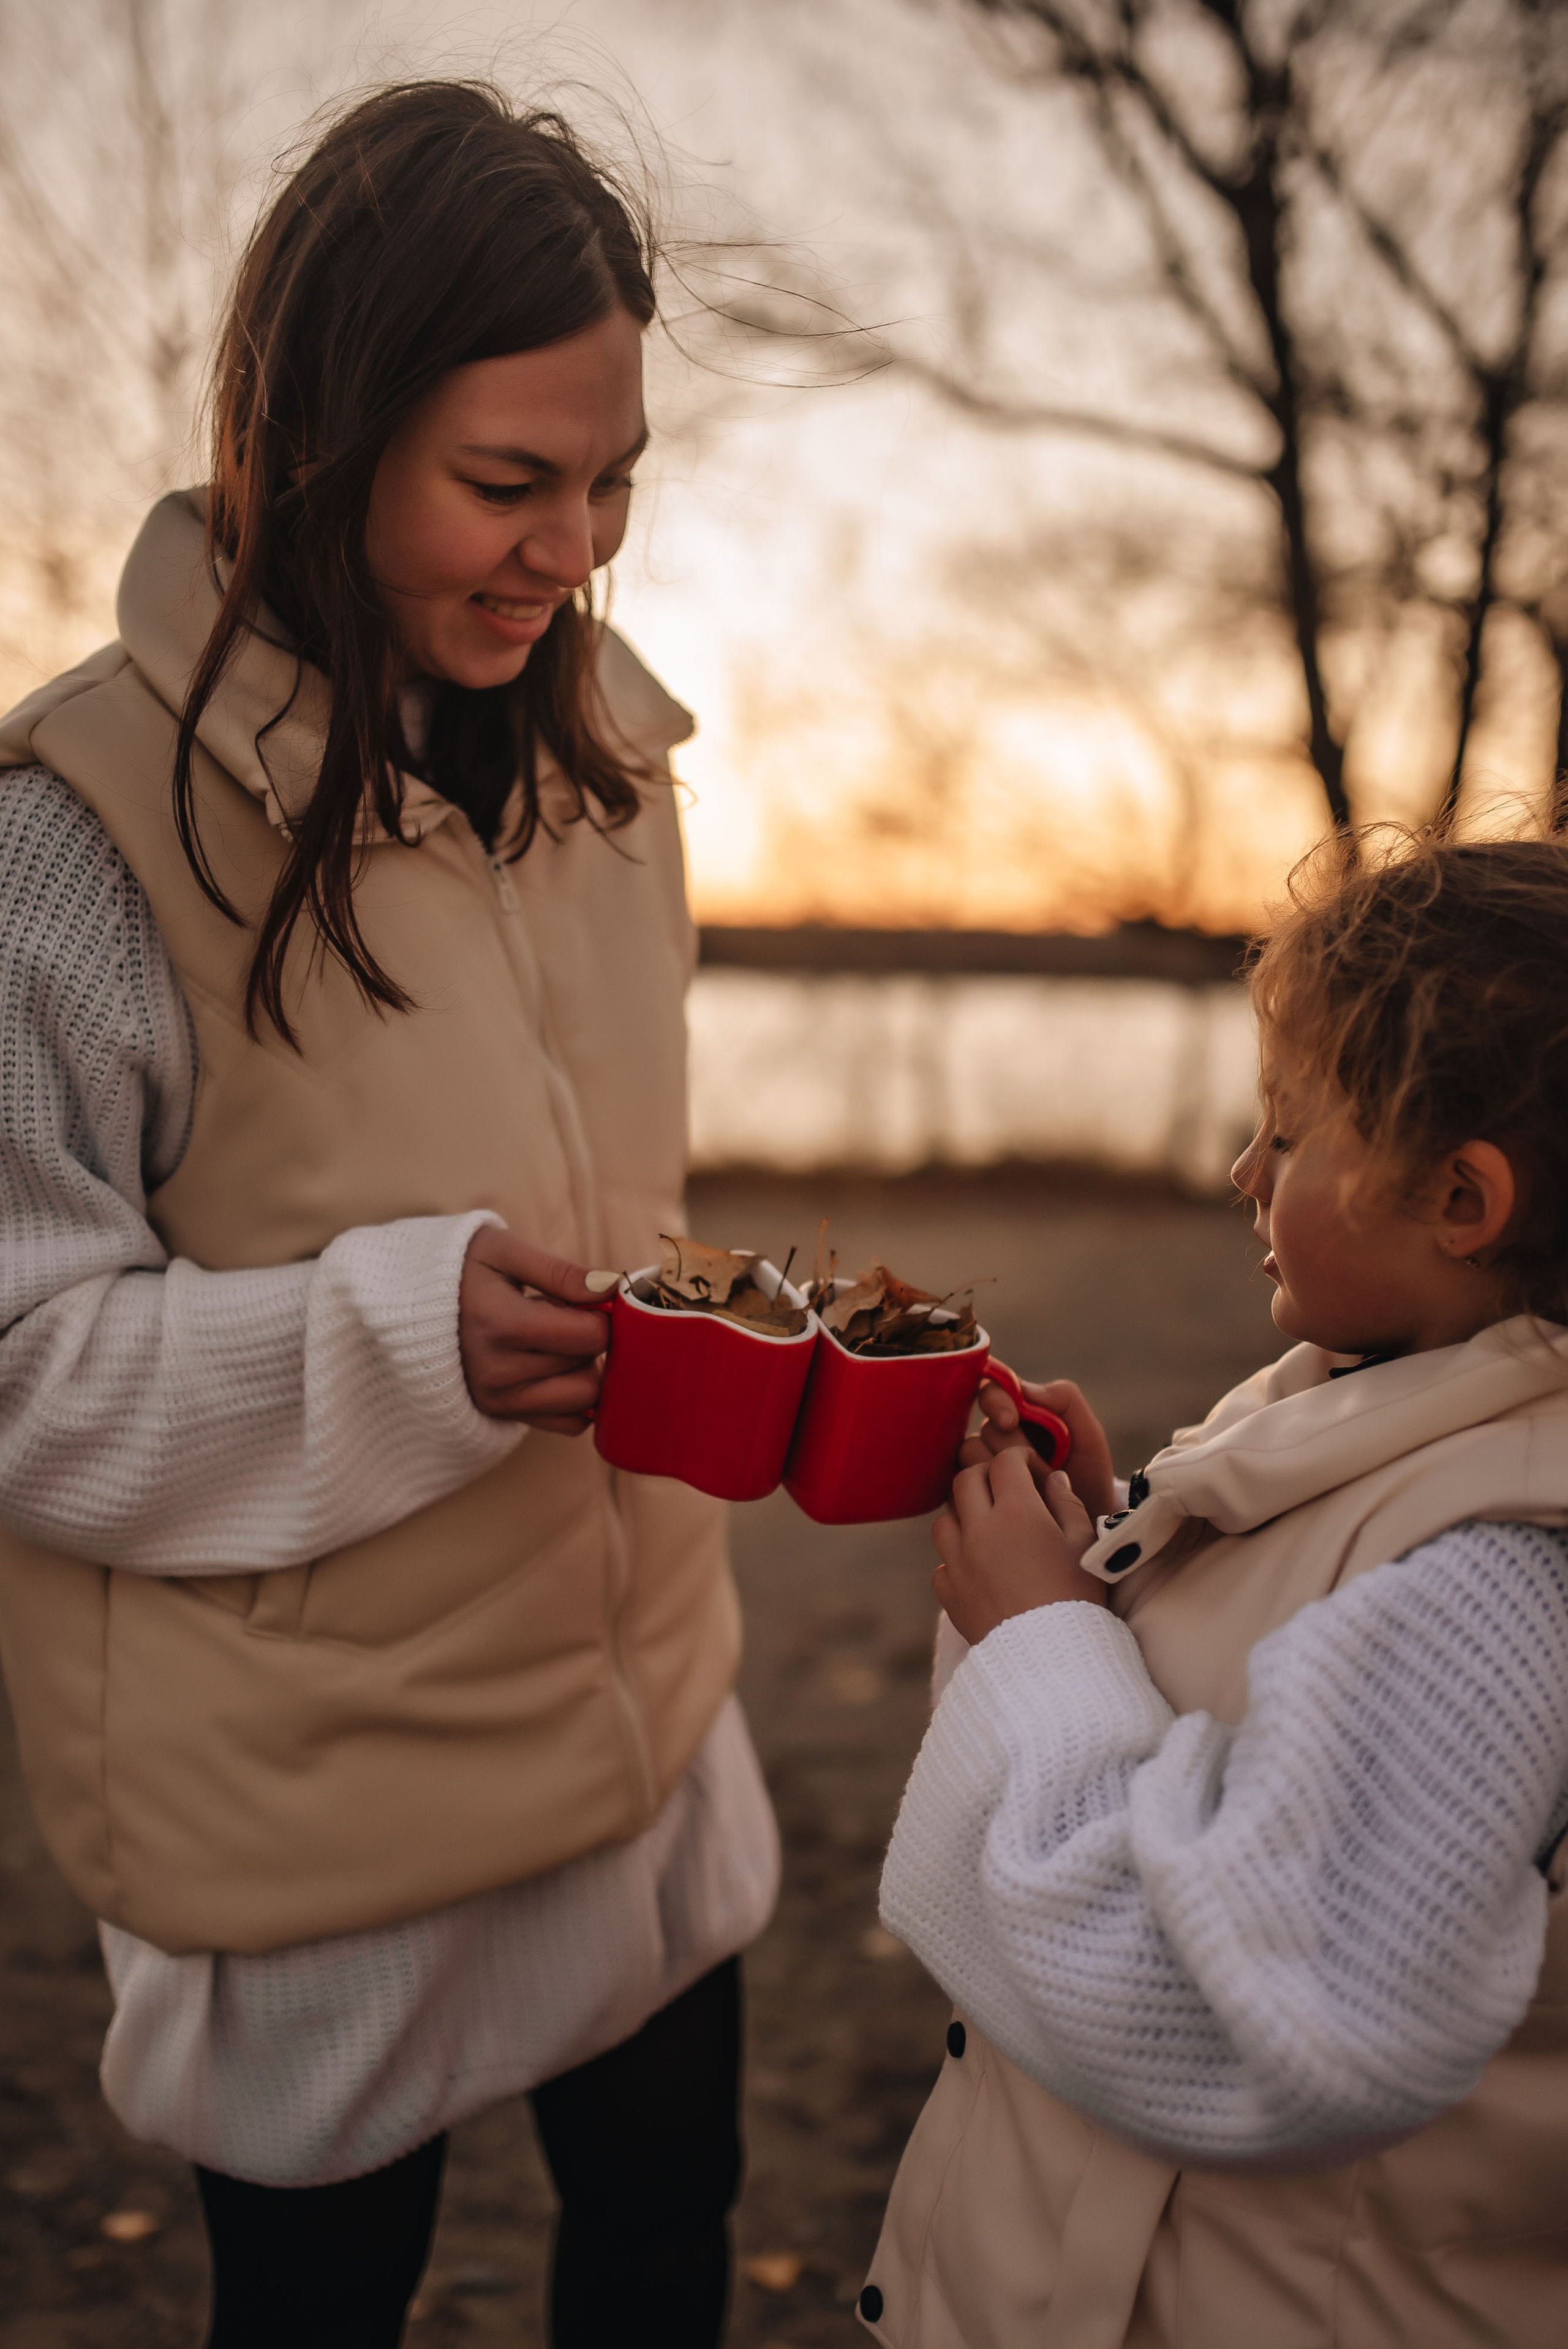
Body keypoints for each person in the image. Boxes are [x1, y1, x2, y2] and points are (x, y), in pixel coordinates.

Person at [0, 81, 778, 2349]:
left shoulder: (620, 778)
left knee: (667, 2246)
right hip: (320, 1826)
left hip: (654, 1733)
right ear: (314, 443)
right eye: (510, 484)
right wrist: (398, 1340)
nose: (576, 550)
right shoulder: (70, 838)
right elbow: (24, 1369)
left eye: (613, 477)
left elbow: (621, 1207)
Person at [858, 827, 1568, 2348]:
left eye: (1289, 1133)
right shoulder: (1391, 1402)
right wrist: (1115, 1559)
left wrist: (1039, 1643)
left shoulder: (1500, 1573)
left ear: (1460, 1197)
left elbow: (1259, 2024)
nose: (1241, 1171)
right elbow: (1276, 1727)